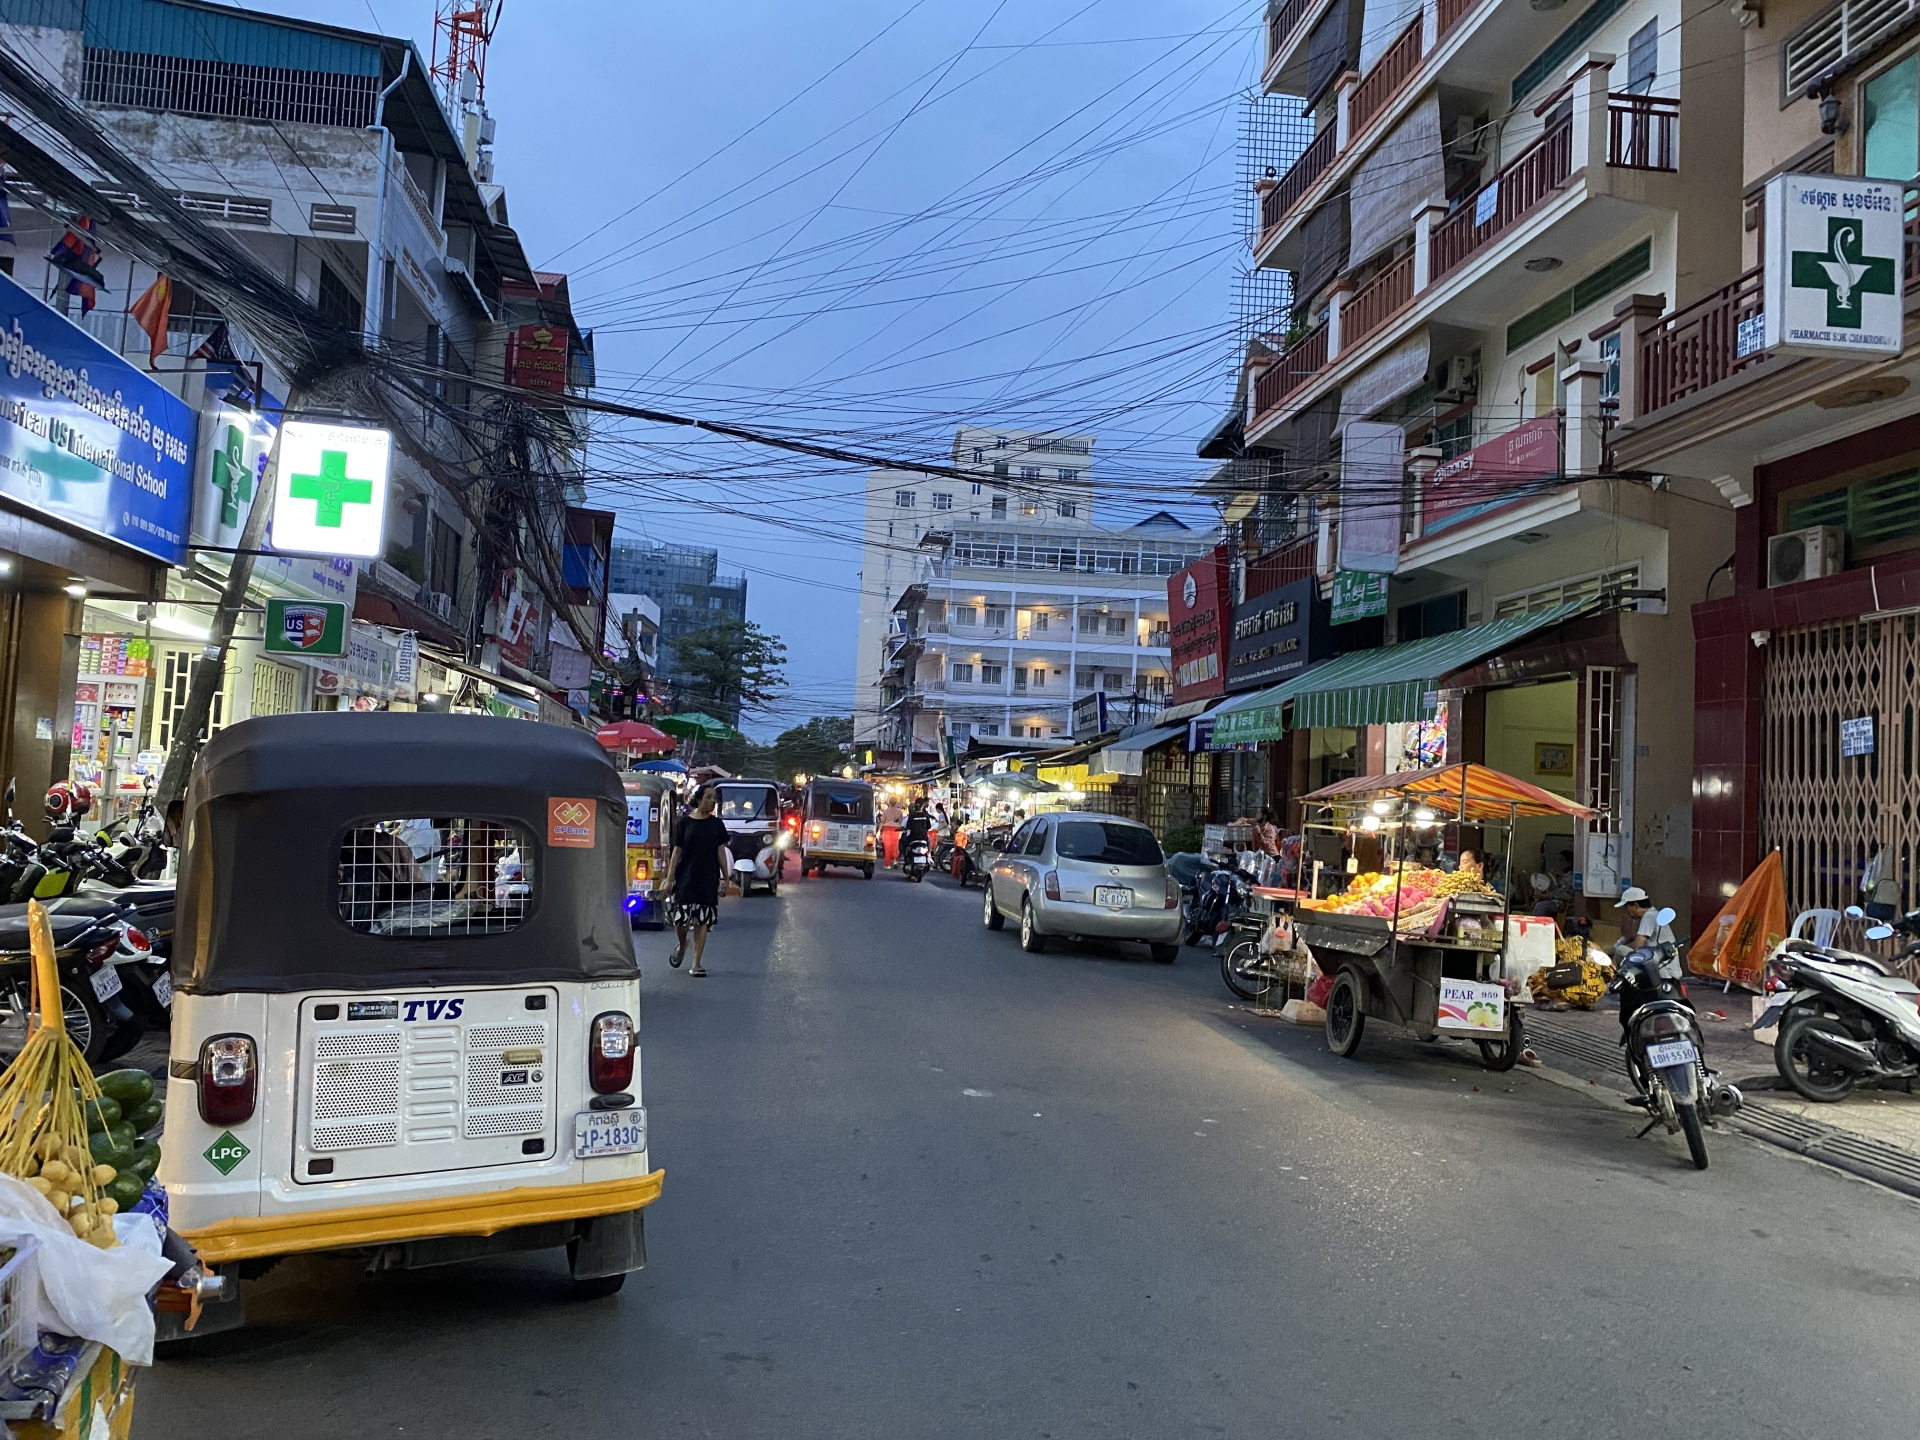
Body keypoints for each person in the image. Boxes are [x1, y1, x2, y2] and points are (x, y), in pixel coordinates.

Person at [663, 786, 733, 976]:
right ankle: (683, 944)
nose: (713, 801)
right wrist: (669, 880)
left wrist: (725, 878)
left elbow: (721, 852)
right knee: (681, 919)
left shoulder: (717, 825)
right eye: (709, 797)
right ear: (699, 799)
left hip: (708, 877)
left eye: (715, 798)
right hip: (685, 876)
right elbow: (676, 853)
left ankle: (696, 963)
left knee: (703, 920)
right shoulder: (684, 823)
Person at [1612, 885, 1674, 962]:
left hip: (1662, 968)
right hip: (1663, 964)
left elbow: (1638, 945)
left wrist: (1622, 946)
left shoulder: (1649, 917)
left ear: (1635, 905)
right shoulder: (1653, 914)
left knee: (1620, 950)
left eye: (1626, 907)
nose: (1626, 910)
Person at [879, 795, 906, 868]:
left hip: (886, 829)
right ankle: (895, 860)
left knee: (887, 847)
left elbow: (882, 822)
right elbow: (901, 822)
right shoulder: (899, 811)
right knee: (895, 845)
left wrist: (879, 831)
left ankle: (887, 864)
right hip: (896, 830)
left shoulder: (885, 811)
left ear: (889, 802)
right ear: (897, 802)